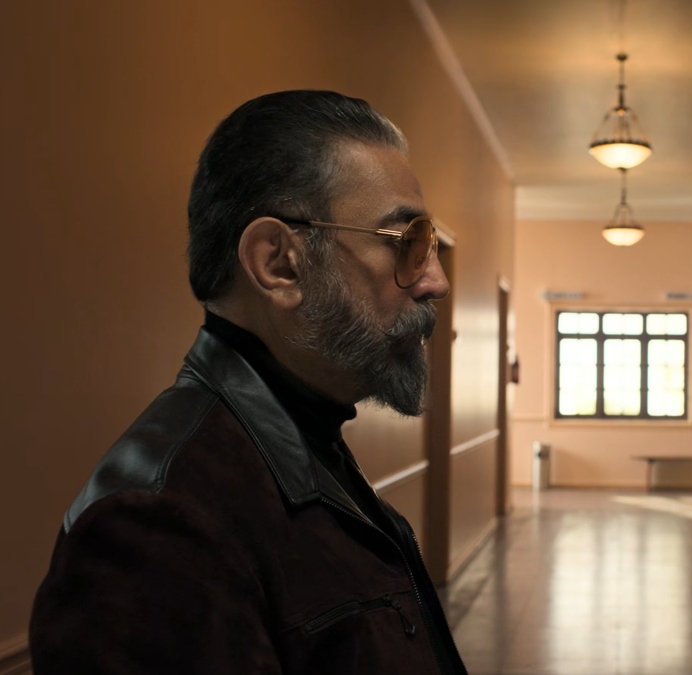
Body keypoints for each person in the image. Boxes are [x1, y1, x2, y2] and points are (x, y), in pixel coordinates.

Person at [29, 90, 467, 674]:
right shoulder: (157, 525)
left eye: (428, 245)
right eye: (404, 243)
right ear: (279, 264)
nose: (435, 281)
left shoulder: (304, 442)